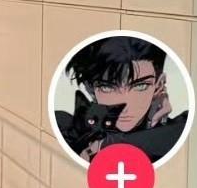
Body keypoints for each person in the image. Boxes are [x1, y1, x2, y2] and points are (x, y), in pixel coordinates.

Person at [55, 35, 187, 162]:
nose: (125, 104)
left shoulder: (177, 129)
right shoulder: (68, 128)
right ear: (91, 89)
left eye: (140, 86)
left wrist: (106, 144)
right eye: (107, 87)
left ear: (159, 85)